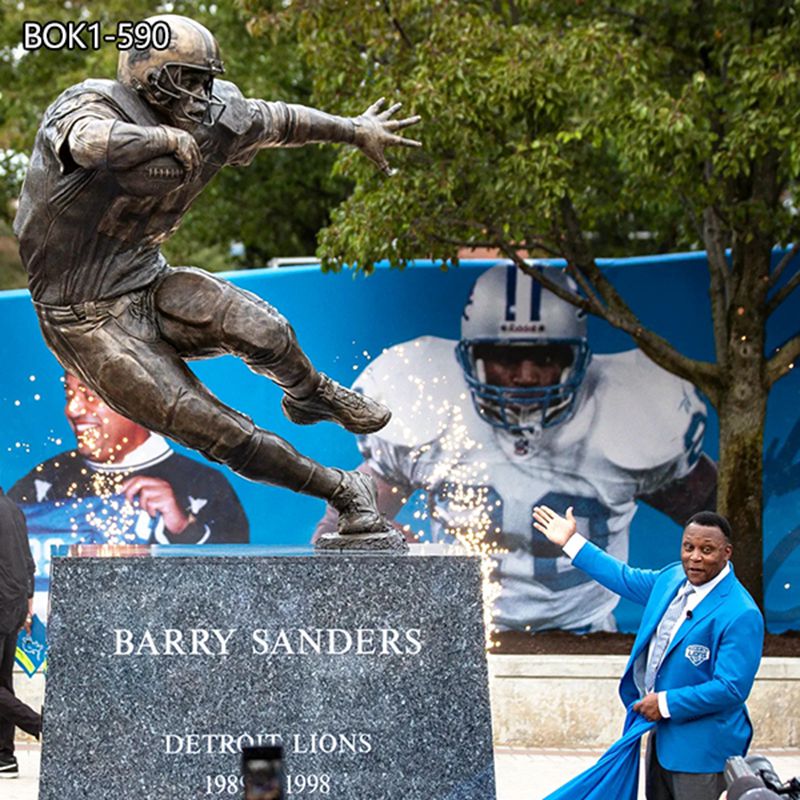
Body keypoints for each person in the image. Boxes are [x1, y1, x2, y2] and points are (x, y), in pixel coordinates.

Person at [13, 14, 421, 536]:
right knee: (212, 424)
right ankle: (343, 489)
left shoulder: (215, 115)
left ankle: (308, 392)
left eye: (206, 78)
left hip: (145, 279)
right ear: (148, 74)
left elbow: (282, 121)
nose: (202, 94)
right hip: (85, 317)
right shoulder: (90, 104)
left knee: (262, 328)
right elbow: (88, 142)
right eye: (188, 78)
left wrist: (354, 130)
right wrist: (156, 140)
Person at [316, 264, 717, 632]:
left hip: (584, 637)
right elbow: (336, 529)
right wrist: (367, 540)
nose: (525, 376)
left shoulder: (628, 410)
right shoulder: (430, 403)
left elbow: (715, 512)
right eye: (505, 357)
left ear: (577, 358)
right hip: (464, 629)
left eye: (545, 357)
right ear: (470, 357)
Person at [532, 504, 764, 800]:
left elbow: (731, 688)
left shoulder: (740, 613)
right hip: (660, 742)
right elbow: (624, 578)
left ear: (726, 553)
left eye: (707, 550)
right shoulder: (671, 579)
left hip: (703, 752)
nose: (695, 557)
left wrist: (665, 703)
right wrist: (571, 541)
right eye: (688, 547)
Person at [9, 373, 249, 546]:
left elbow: (240, 588)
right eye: (69, 393)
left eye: (89, 394)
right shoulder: (45, 479)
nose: (72, 409)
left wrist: (183, 528)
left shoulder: (203, 485)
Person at [0, 489, 42, 779]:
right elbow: (28, 563)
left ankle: (40, 725)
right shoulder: (12, 508)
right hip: (13, 607)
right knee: (3, 684)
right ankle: (4, 757)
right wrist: (26, 609)